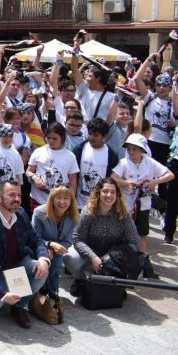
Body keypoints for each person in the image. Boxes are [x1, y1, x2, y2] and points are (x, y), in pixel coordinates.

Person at [0, 180, 50, 329]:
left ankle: (18, 306)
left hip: (16, 266)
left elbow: (36, 240)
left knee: (41, 270)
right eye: (12, 195)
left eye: (19, 195)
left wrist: (43, 258)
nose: (17, 199)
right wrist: (2, 293)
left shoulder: (20, 213)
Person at [110, 133, 173, 276]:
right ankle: (123, 264)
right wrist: (127, 183)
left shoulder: (150, 162)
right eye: (129, 149)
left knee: (142, 235)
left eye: (135, 149)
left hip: (143, 204)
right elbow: (113, 177)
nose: (131, 152)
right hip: (126, 205)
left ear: (142, 150)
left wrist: (154, 182)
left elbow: (170, 174)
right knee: (123, 235)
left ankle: (143, 265)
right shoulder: (124, 163)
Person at [63, 178, 140, 293]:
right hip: (90, 251)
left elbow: (134, 240)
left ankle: (118, 284)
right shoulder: (87, 211)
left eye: (113, 192)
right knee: (70, 258)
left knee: (132, 252)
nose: (109, 195)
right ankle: (81, 280)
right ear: (98, 193)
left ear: (117, 195)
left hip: (113, 255)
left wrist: (115, 258)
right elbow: (77, 239)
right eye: (105, 191)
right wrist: (93, 257)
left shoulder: (123, 214)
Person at [31, 186, 79, 302]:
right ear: (52, 198)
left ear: (71, 200)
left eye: (66, 198)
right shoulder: (39, 212)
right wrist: (49, 245)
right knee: (49, 261)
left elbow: (67, 241)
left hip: (58, 250)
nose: (62, 202)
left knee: (57, 260)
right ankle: (45, 289)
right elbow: (33, 238)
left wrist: (53, 249)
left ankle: (47, 290)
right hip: (38, 248)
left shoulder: (73, 216)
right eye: (58, 197)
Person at [26, 123, 79, 209]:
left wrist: (71, 200)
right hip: (38, 199)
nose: (51, 141)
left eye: (55, 138)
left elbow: (73, 181)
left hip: (59, 202)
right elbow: (28, 171)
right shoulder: (38, 152)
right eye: (48, 138)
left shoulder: (70, 156)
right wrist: (35, 179)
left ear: (62, 138)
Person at [73, 118, 118, 210]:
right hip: (79, 204)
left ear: (104, 136)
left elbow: (112, 180)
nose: (91, 137)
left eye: (95, 135)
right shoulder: (79, 149)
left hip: (99, 205)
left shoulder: (111, 155)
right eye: (89, 134)